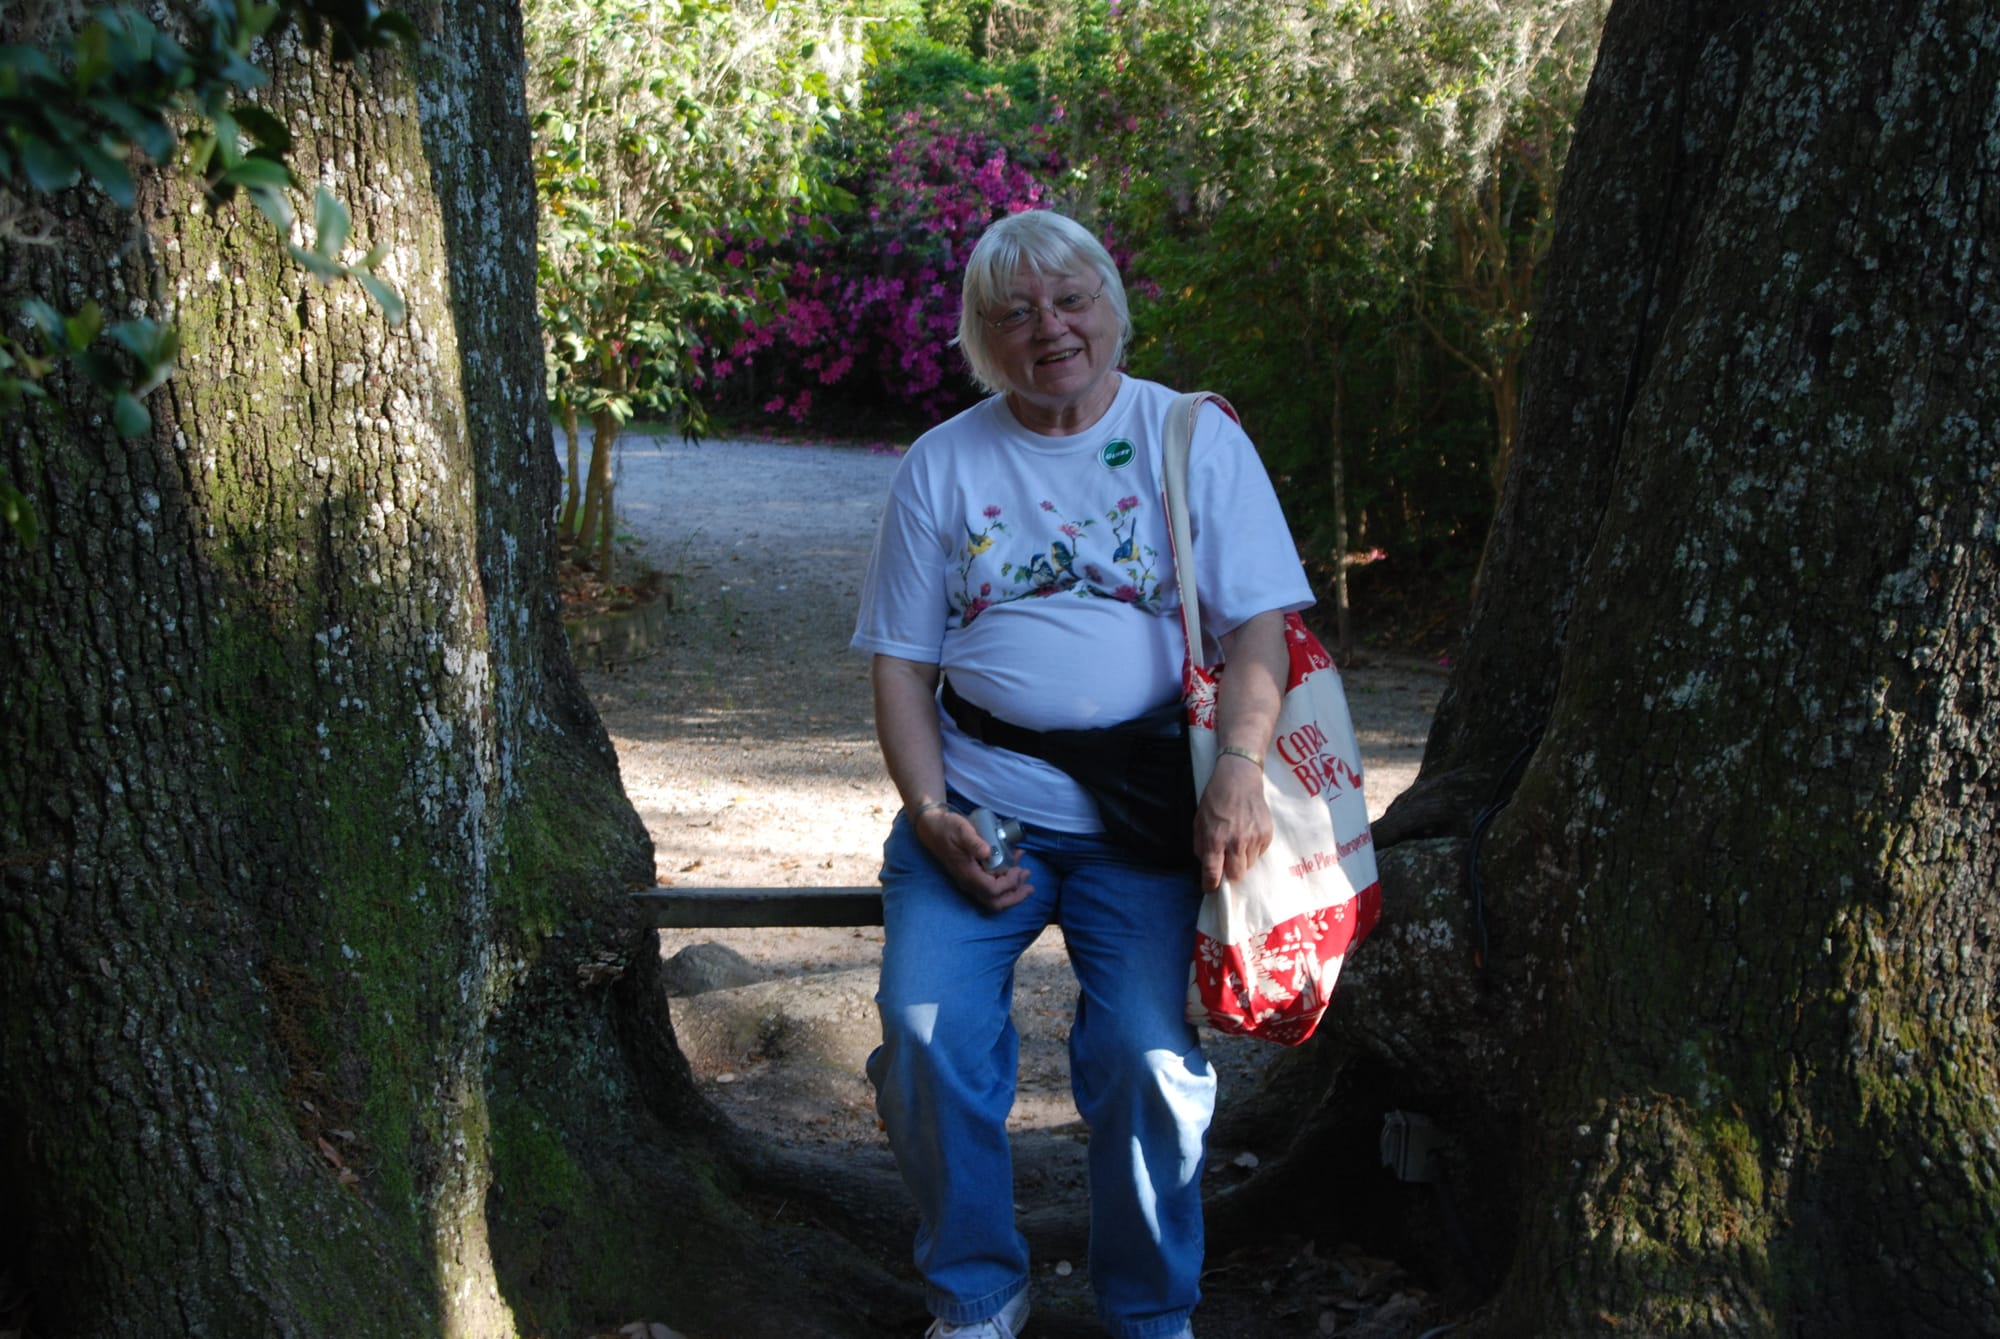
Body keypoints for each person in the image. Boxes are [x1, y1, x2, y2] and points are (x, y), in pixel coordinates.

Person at [851, 209, 1314, 1339]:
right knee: (924, 1035)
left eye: (1070, 301)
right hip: (981, 809)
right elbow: (902, 669)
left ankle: (1150, 1308)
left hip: (1154, 812)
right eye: (1015, 314)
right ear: (981, 339)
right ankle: (974, 1288)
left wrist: (1240, 770)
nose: (1049, 329)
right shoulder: (941, 464)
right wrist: (929, 810)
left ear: (1111, 306)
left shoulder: (1192, 435)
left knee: (1146, 1061)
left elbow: (1261, 628)